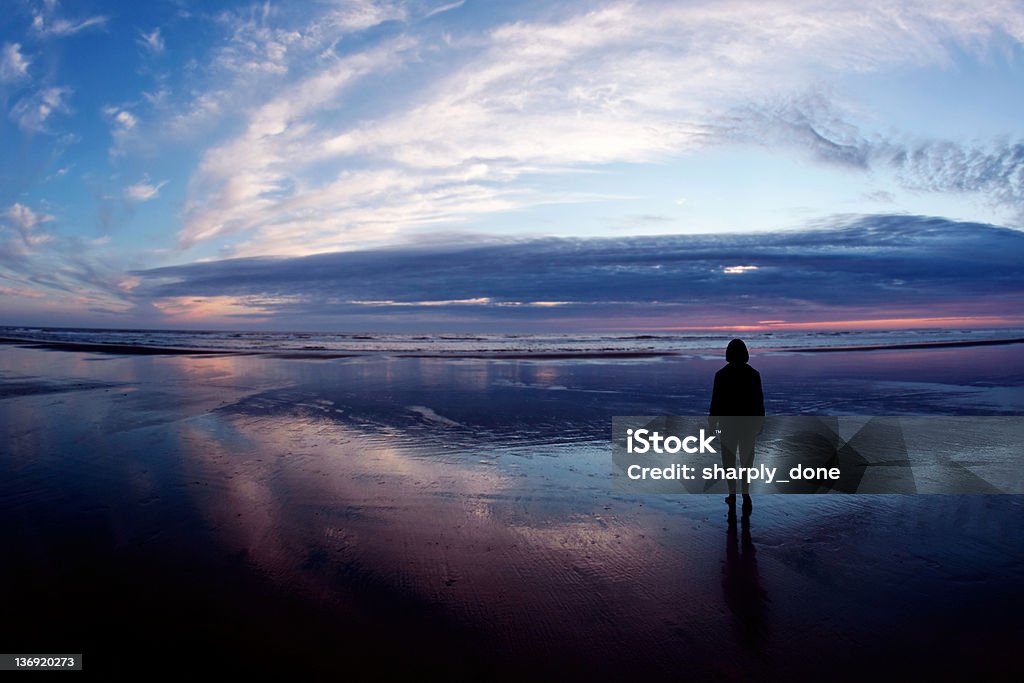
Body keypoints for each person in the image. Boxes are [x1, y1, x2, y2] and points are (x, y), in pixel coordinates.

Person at [708, 339, 765, 509]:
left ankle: (732, 494)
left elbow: (715, 403)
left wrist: (712, 424)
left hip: (728, 424)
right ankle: (746, 494)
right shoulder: (754, 374)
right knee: (747, 459)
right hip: (748, 423)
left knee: (729, 460)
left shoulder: (720, 375)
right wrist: (760, 421)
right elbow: (759, 401)